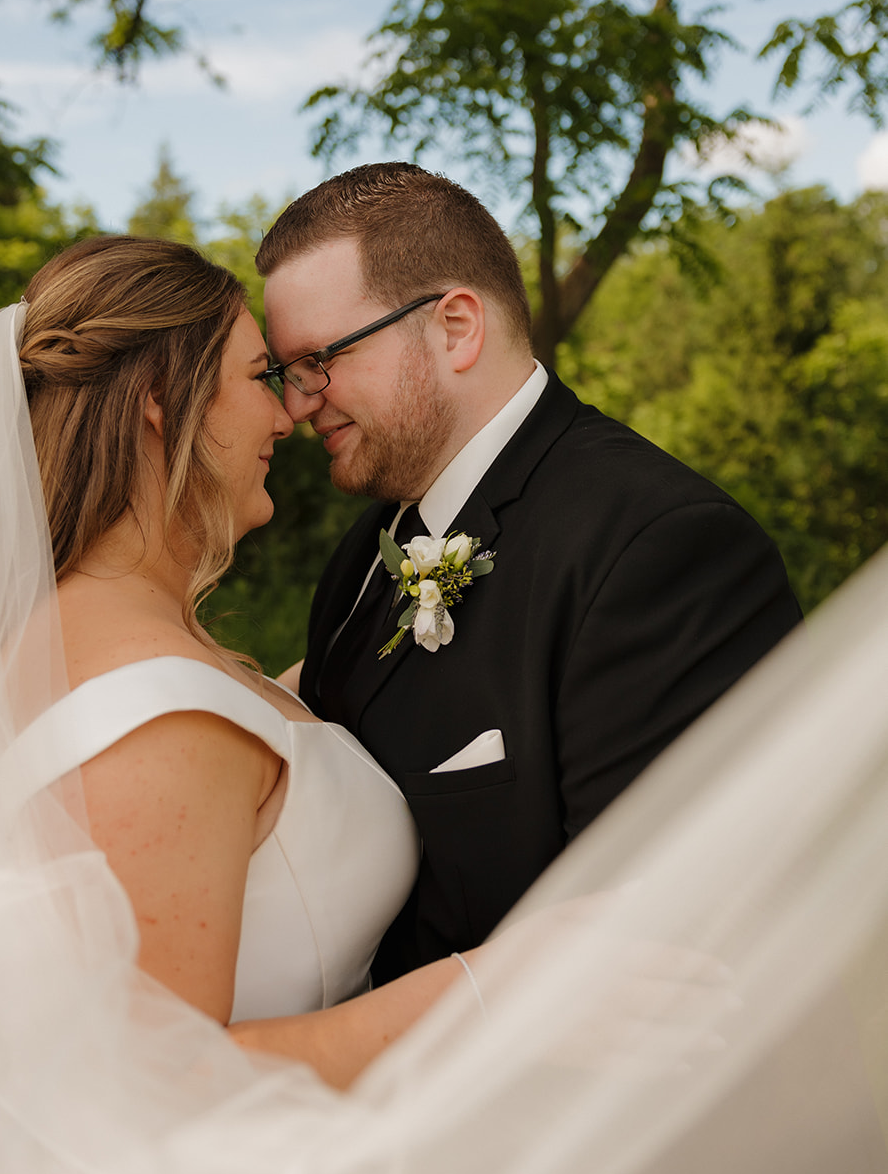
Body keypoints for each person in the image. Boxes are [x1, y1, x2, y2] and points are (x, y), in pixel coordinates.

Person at [0, 234, 888, 1174]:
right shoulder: (157, 706)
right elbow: (148, 1091)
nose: (290, 405)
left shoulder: (122, 645)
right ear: (161, 405)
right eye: (262, 373)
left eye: (309, 365)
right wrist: (493, 987)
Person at [257, 162, 803, 982]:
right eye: (289, 372)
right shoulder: (366, 554)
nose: (300, 403)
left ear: (454, 327)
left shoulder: (660, 547)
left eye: (321, 359)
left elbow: (675, 946)